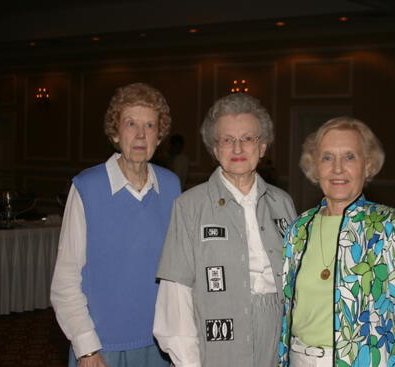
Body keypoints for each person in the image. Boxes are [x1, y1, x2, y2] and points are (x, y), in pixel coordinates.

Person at [153, 93, 297, 367]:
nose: (238, 148)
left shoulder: (283, 203)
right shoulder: (190, 206)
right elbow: (176, 298)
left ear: (263, 146)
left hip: (277, 344)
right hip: (216, 349)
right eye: (227, 140)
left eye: (247, 138)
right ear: (215, 149)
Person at [50, 82, 180, 367]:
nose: (140, 135)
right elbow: (66, 279)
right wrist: (86, 348)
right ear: (115, 131)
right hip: (102, 347)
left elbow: (179, 272)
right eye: (131, 123)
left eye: (150, 125)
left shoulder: (171, 187)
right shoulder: (88, 187)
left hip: (161, 346)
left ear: (159, 136)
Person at [278, 117, 395, 367]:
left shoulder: (392, 226)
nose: (337, 169)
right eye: (327, 158)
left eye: (349, 157)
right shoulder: (298, 228)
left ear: (367, 165)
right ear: (315, 167)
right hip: (299, 358)